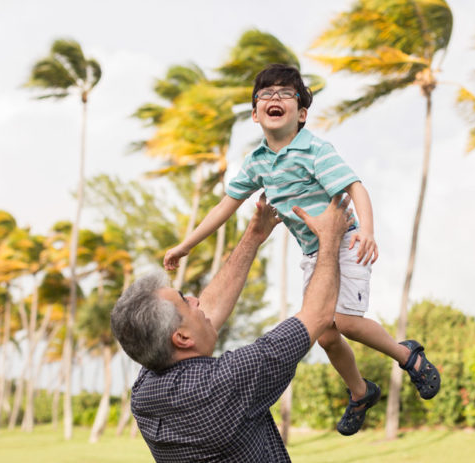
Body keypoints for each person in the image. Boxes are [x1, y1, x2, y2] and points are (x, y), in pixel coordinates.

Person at [163, 63, 440, 436]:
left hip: (343, 243)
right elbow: (223, 208)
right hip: (314, 256)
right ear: (255, 113)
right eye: (266, 94)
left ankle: (409, 356)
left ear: (302, 113)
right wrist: (184, 246)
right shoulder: (257, 162)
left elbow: (356, 187)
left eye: (285, 94)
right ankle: (360, 392)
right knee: (323, 334)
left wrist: (368, 232)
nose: (274, 98)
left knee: (343, 321)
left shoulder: (314, 150)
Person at [112, 194, 353, 462]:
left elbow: (208, 311)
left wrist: (255, 234)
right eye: (184, 300)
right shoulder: (228, 383)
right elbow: (317, 315)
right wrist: (330, 238)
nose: (195, 299)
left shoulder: (145, 393)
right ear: (180, 337)